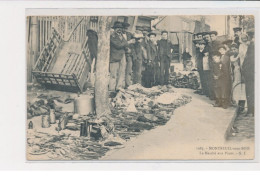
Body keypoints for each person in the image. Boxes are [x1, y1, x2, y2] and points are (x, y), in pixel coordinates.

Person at [109, 21, 128, 91]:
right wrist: (126, 42)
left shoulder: (122, 36)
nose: (119, 29)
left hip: (122, 56)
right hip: (114, 57)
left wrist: (126, 43)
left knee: (122, 72)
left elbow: (125, 44)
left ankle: (118, 88)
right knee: (113, 74)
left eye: (120, 28)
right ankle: (111, 89)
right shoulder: (112, 36)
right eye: (117, 28)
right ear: (114, 29)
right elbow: (118, 45)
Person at [242, 29, 255, 116]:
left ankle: (251, 111)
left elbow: (249, 61)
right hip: (251, 72)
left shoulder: (252, 46)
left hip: (251, 73)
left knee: (250, 91)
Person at [122, 22, 135, 88]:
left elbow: (135, 39)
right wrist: (129, 42)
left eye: (126, 28)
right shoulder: (120, 35)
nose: (125, 30)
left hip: (129, 54)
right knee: (122, 70)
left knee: (129, 70)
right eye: (124, 28)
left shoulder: (129, 34)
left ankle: (128, 84)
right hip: (122, 54)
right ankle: (121, 85)